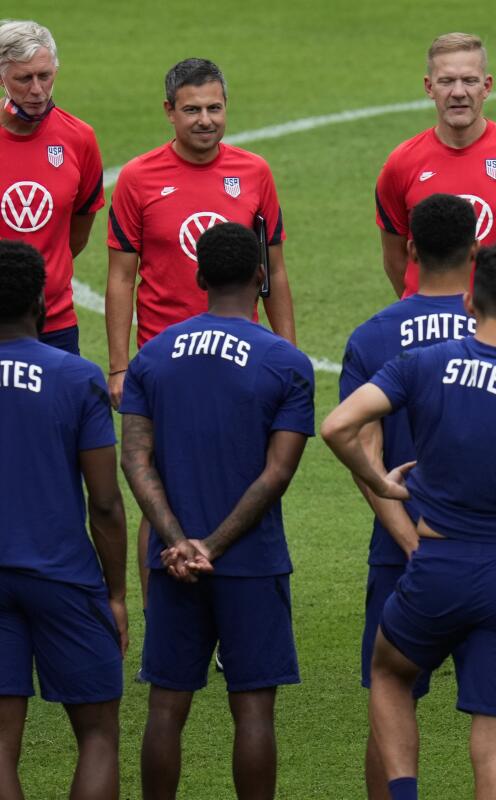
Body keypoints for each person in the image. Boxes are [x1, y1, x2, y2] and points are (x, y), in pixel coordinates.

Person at [322, 241, 496, 800]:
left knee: (391, 674)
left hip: (437, 564)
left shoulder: (421, 364)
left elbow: (336, 427)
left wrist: (380, 482)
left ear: (470, 301)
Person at [340, 193, 496, 799]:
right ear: (476, 251)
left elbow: (362, 451)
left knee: (391, 691)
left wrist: (407, 539)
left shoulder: (374, 337)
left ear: (409, 250)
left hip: (405, 553)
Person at [119, 222, 314, 800]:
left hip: (171, 565)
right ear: (261, 278)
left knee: (165, 707)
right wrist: (216, 546)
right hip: (251, 563)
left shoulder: (151, 358)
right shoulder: (287, 363)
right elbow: (277, 472)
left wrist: (179, 542)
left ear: (199, 277)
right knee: (253, 711)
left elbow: (135, 460)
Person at [106, 57, 298, 634]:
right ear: (169, 111)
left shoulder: (254, 172)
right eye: (192, 109)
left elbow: (276, 272)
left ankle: (235, 613)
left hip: (244, 363)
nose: (206, 120)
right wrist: (119, 367)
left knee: (250, 479)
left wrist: (287, 351)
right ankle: (163, 612)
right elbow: (121, 277)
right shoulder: (138, 178)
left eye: (214, 107)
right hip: (164, 367)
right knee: (155, 483)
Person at [0, 240, 126, 800]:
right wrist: (117, 593)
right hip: (63, 576)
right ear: (43, 304)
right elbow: (104, 501)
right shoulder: (77, 377)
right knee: (97, 734)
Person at [375, 32, 496, 304]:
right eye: (447, 81)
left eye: (470, 81)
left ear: (486, 86)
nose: (459, 92)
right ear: (429, 87)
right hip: (430, 333)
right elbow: (394, 258)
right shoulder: (401, 164)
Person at [0, 20, 104, 355]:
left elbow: (77, 234)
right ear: (2, 78)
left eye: (45, 75)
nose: (37, 90)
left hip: (55, 323)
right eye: (24, 78)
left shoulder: (79, 138)